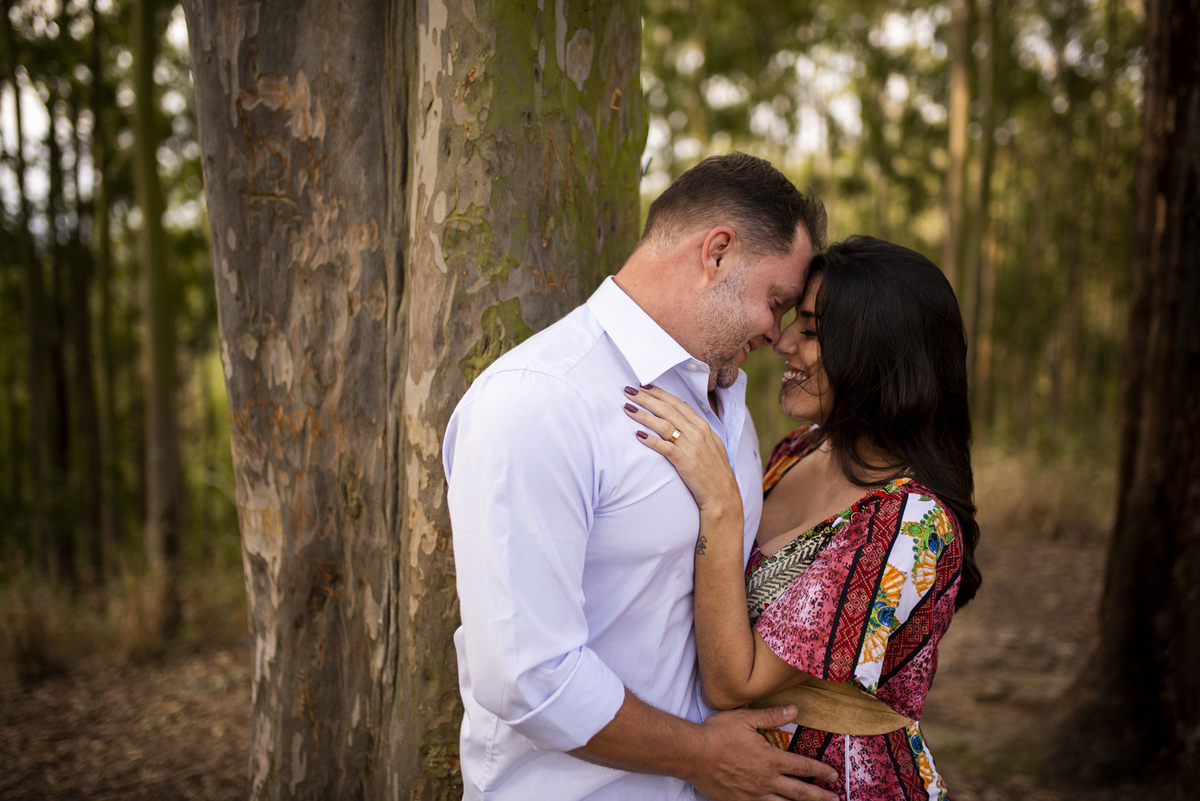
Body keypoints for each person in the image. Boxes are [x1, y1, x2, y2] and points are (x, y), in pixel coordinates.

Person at [443, 153, 840, 800]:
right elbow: (527, 675)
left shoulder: (730, 407)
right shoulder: (540, 400)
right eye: (776, 303)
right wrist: (701, 755)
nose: (778, 334)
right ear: (717, 253)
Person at [624, 236, 982, 799]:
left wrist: (721, 506)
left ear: (879, 353)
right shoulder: (799, 450)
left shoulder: (909, 525)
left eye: (811, 331)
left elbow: (734, 683)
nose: (783, 342)